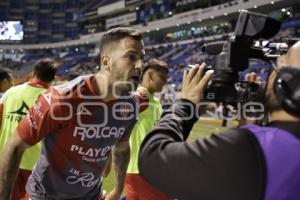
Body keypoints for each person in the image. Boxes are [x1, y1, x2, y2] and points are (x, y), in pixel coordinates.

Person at [138, 41, 300, 200]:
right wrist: (253, 115)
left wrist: (185, 104)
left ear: (290, 84)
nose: (274, 68)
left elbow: (152, 156)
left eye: (281, 64)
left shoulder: (249, 147)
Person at [0, 27, 145, 200]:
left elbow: (121, 147)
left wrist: (118, 189)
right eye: (131, 57)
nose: (140, 65)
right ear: (106, 61)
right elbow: (15, 146)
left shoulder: (130, 105)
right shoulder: (61, 99)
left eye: (142, 58)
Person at [0, 58, 57, 200]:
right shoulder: (54, 99)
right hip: (36, 165)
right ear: (53, 78)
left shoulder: (10, 92)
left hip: (6, 158)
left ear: (34, 73)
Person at [125, 58, 171, 200]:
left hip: (135, 170)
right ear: (150, 76)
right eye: (162, 77)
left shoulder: (155, 101)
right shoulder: (141, 96)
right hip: (144, 171)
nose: (165, 81)